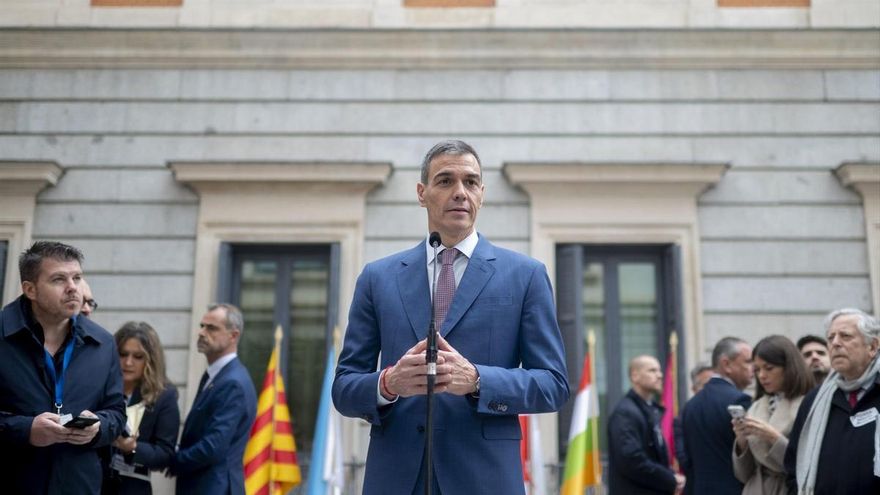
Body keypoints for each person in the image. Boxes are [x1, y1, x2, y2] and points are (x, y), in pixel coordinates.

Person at [332, 140, 569, 495]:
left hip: (485, 478)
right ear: (421, 192)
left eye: (470, 182)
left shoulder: (525, 275)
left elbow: (553, 385)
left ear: (482, 194)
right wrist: (387, 384)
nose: (460, 192)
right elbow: (344, 387)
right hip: (397, 479)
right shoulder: (377, 278)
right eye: (445, 181)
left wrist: (477, 380)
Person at [0, 241, 126, 493]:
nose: (72, 288)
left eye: (77, 278)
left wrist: (98, 427)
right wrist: (26, 430)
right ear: (30, 289)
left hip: (78, 485)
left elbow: (117, 413)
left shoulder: (103, 342)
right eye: (59, 279)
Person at [785, 308, 880, 494]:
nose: (835, 343)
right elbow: (793, 465)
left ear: (873, 346)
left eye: (845, 336)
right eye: (830, 338)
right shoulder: (814, 401)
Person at [171, 303, 257, 495]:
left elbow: (213, 447)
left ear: (233, 335)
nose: (202, 332)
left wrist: (173, 459)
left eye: (211, 328)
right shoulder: (217, 375)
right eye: (202, 326)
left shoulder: (232, 382)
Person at [103, 321, 180, 495]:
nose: (128, 362)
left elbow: (166, 454)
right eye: (123, 354)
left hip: (133, 486)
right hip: (94, 482)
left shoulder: (164, 395)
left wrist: (132, 448)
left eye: (138, 357)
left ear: (150, 360)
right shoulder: (101, 386)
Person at [731, 335, 813, 495]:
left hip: (790, 487)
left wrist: (773, 437)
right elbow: (743, 474)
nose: (761, 375)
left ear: (789, 367)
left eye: (769, 368)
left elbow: (807, 464)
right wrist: (741, 441)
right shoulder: (756, 406)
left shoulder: (808, 404)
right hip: (755, 488)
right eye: (757, 370)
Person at [680, 336, 753, 495]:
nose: (752, 368)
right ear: (726, 364)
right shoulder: (740, 400)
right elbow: (751, 454)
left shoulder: (690, 406)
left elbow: (686, 459)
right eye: (747, 361)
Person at [608, 355, 685, 495]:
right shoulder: (625, 413)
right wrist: (669, 479)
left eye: (660, 370)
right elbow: (631, 460)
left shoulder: (650, 410)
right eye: (652, 371)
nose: (660, 375)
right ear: (635, 376)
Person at [675, 362, 714, 495]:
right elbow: (683, 456)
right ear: (694, 389)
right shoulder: (685, 416)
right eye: (706, 386)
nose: (712, 390)